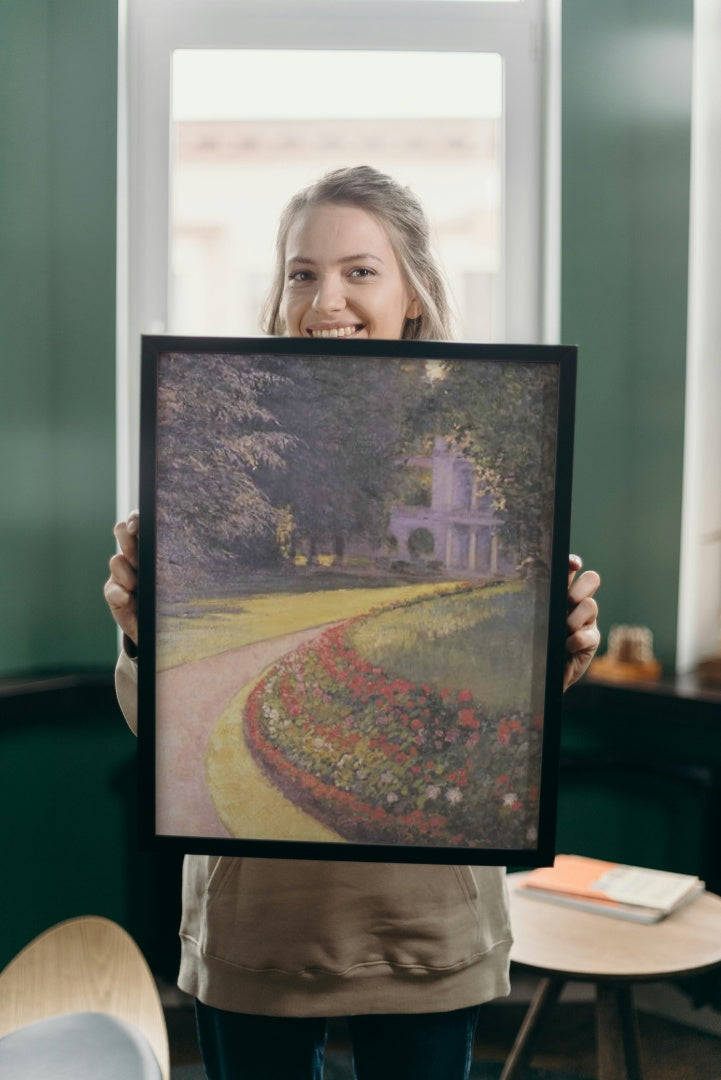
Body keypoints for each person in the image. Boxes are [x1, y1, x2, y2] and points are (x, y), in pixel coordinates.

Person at [105, 166, 601, 1080]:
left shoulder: (497, 416)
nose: (324, 298)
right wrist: (142, 636)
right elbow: (158, 729)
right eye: (301, 272)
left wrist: (556, 653)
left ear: (412, 292)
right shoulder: (216, 426)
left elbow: (511, 729)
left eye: (359, 271)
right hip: (257, 928)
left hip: (423, 925)